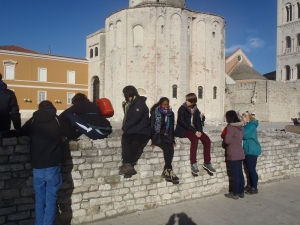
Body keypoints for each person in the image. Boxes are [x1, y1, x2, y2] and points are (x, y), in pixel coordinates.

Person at [20, 100, 68, 225]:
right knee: (51, 199)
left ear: (40, 108)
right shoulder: (57, 120)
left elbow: (21, 131)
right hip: (53, 164)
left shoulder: (33, 120)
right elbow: (69, 132)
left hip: (38, 165)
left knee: (40, 199)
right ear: (52, 108)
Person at [174, 93, 216, 176]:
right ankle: (193, 163)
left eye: (188, 100)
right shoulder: (182, 109)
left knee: (207, 140)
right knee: (194, 139)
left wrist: (200, 131)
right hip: (183, 129)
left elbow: (198, 122)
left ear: (192, 102)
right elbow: (182, 122)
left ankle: (207, 162)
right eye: (186, 100)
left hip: (194, 130)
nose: (186, 102)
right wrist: (195, 131)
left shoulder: (196, 110)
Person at [119, 86, 151, 176]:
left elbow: (135, 118)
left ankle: (128, 164)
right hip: (135, 130)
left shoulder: (139, 103)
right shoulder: (131, 103)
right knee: (125, 139)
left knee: (136, 142)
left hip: (143, 131)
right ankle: (127, 164)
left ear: (128, 94)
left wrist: (124, 128)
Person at [150, 97, 179, 184]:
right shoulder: (155, 113)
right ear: (160, 104)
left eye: (167, 104)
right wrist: (153, 141)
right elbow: (152, 127)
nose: (166, 106)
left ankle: (167, 171)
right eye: (164, 104)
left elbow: (171, 128)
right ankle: (169, 170)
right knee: (166, 148)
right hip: (158, 137)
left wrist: (173, 140)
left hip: (167, 137)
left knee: (171, 148)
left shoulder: (171, 114)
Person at [223, 110, 245, 200]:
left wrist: (225, 137)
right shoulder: (240, 127)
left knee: (235, 174)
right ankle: (241, 191)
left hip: (233, 153)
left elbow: (227, 141)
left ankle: (235, 193)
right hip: (240, 152)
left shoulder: (231, 127)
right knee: (240, 173)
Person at [241, 112, 261, 195]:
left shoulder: (251, 126)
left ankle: (254, 188)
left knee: (252, 169)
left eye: (243, 117)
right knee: (249, 169)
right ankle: (250, 185)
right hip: (248, 150)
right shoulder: (247, 125)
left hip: (252, 150)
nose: (242, 119)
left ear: (247, 117)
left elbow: (244, 135)